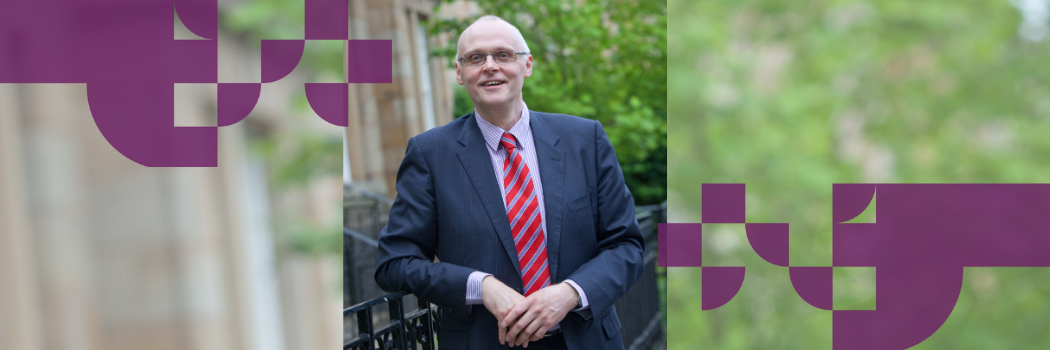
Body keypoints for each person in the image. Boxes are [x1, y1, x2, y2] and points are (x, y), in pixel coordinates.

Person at [375, 15, 644, 350]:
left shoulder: (585, 139)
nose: (490, 66)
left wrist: (571, 292)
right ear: (459, 73)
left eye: (503, 55)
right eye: (475, 58)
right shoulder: (430, 154)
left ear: (527, 65)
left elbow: (627, 246)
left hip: (586, 340)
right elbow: (395, 262)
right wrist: (480, 286)